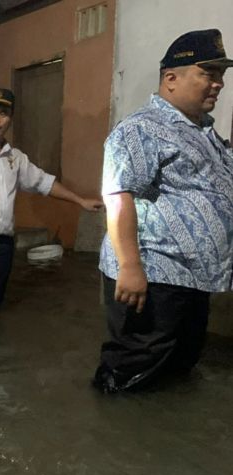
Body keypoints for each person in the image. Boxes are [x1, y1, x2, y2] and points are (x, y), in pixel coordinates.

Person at [93, 29, 233, 393]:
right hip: (153, 275)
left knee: (179, 364)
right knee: (134, 365)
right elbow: (118, 197)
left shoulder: (203, 132)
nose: (218, 84)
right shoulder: (141, 129)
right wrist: (130, 267)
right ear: (171, 78)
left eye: (221, 75)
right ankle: (113, 436)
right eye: (208, 73)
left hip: (191, 278)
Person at [0, 88, 103, 321]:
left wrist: (80, 200)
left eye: (3, 113)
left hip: (3, 247)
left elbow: (44, 183)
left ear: (10, 119)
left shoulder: (15, 158)